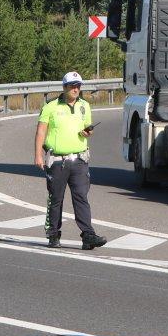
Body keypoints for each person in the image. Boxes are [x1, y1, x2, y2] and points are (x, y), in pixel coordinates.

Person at [34, 71, 107, 250]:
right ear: (64, 87)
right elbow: (41, 131)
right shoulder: (51, 107)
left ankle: (88, 235)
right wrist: (38, 154)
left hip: (80, 159)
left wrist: (87, 132)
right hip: (58, 161)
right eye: (72, 86)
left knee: (81, 197)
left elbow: (87, 128)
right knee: (56, 199)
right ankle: (53, 235)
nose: (76, 89)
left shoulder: (84, 106)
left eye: (78, 86)